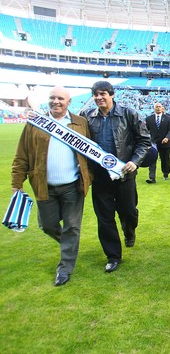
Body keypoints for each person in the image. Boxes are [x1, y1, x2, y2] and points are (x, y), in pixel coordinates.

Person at [11, 87, 91, 286]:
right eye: (52, 98)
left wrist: (90, 176)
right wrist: (16, 183)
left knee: (72, 227)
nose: (56, 101)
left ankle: (65, 268)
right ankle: (69, 245)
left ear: (69, 101)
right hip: (44, 186)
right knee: (47, 226)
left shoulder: (80, 123)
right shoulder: (35, 124)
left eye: (60, 98)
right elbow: (22, 154)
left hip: (73, 186)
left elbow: (91, 151)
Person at [82, 81, 151, 273]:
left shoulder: (129, 114)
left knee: (128, 211)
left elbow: (144, 141)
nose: (99, 98)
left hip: (124, 175)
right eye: (95, 94)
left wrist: (134, 161)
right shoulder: (86, 116)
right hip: (99, 177)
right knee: (104, 218)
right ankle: (113, 256)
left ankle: (129, 230)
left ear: (112, 95)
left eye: (102, 94)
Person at [145, 102, 170, 183]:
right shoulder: (149, 119)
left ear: (162, 108)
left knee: (165, 159)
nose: (158, 108)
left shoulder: (168, 118)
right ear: (154, 108)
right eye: (156, 107)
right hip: (153, 143)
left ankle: (165, 174)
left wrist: (167, 138)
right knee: (152, 160)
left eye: (159, 106)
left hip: (165, 143)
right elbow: (146, 130)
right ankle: (152, 178)